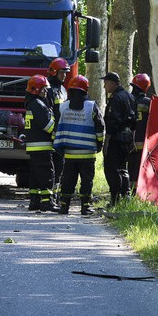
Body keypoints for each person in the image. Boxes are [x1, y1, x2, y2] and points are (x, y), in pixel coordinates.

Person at [53, 75, 105, 215]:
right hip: (87, 154)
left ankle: (64, 207)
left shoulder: (63, 107)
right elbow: (100, 127)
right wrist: (100, 143)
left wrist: (58, 146)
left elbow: (56, 127)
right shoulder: (91, 106)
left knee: (68, 180)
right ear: (85, 90)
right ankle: (85, 207)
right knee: (86, 181)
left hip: (69, 153)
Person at [101, 72, 137, 206]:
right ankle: (126, 197)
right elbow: (134, 121)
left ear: (112, 83)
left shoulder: (115, 99)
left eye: (105, 83)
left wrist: (106, 142)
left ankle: (115, 199)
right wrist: (132, 139)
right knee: (123, 168)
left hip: (116, 138)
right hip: (127, 138)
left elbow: (112, 122)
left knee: (112, 169)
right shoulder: (130, 97)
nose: (104, 86)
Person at [24, 75, 59, 212]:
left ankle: (34, 201)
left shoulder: (31, 103)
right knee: (47, 174)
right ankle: (47, 202)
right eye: (43, 89)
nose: (46, 92)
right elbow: (48, 126)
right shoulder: (38, 105)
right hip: (42, 145)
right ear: (36, 89)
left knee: (35, 174)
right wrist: (57, 131)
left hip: (34, 146)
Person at [46, 58, 70, 195]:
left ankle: (56, 193)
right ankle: (49, 194)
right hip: (51, 134)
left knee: (60, 165)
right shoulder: (48, 89)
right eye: (62, 73)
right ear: (54, 72)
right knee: (51, 165)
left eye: (66, 73)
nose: (64, 76)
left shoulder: (63, 90)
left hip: (60, 134)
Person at [128, 73, 152, 196]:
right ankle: (139, 193)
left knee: (129, 169)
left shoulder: (127, 99)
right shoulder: (148, 103)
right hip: (143, 144)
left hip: (128, 142)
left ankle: (129, 193)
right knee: (140, 169)